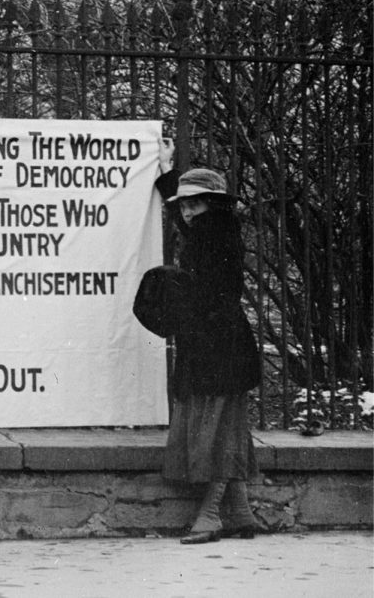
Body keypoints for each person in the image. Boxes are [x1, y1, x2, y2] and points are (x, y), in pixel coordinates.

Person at [154, 167, 264, 544]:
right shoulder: (215, 231)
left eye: (194, 204)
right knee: (227, 427)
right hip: (220, 345)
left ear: (213, 205)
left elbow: (212, 293)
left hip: (216, 347)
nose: (187, 213)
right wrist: (168, 176)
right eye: (183, 206)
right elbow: (193, 240)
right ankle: (243, 514)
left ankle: (212, 514)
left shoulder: (213, 234)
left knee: (216, 431)